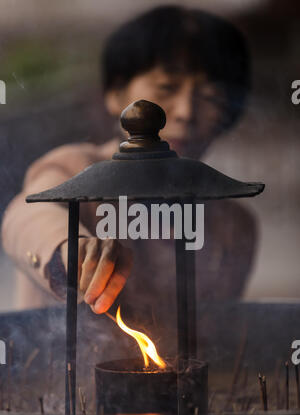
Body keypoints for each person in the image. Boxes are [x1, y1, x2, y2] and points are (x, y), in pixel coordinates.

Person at [1, 6, 256, 314]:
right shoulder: (73, 170)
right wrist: (73, 251)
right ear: (116, 94)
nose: (186, 112)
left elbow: (219, 336)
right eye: (167, 88)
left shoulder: (233, 226)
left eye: (211, 98)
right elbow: (25, 217)